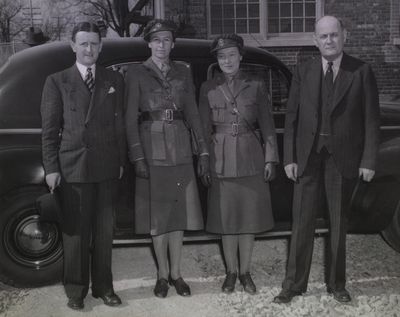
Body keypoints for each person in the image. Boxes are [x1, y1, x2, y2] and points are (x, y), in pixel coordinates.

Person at [274, 15, 380, 304]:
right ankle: (293, 284)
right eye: (324, 36)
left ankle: (337, 284)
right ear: (315, 40)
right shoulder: (304, 70)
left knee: (338, 223)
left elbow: (371, 119)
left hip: (343, 158)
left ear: (344, 36)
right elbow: (292, 116)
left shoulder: (361, 71)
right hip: (307, 157)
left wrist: (369, 160)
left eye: (334, 35)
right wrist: (289, 158)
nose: (329, 40)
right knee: (301, 222)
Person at [41, 22, 125, 310]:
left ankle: (104, 287)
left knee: (104, 232)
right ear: (73, 46)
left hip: (106, 167)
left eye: (94, 43)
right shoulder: (57, 81)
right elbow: (50, 131)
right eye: (84, 43)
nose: (89, 49)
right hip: (73, 166)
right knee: (75, 233)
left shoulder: (113, 79)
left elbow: (119, 125)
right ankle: (76, 291)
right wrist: (51, 168)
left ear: (101, 46)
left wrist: (121, 161)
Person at [125, 19, 209, 298]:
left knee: (178, 215)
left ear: (173, 43)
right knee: (158, 218)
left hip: (182, 151)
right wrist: (137, 156)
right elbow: (128, 120)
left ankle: (177, 273)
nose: (162, 45)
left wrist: (203, 151)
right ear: (148, 43)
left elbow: (194, 114)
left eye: (167, 40)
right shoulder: (136, 73)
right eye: (156, 40)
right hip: (152, 152)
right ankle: (161, 275)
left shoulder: (183, 72)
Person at [198, 34, 279, 295]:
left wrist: (270, 158)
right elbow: (202, 128)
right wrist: (204, 159)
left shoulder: (255, 85)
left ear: (240, 56)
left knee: (248, 219)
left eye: (232, 55)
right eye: (222, 57)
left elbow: (267, 124)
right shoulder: (208, 88)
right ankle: (231, 272)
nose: (228, 60)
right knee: (227, 220)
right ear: (217, 61)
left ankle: (245, 272)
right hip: (220, 160)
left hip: (250, 158)